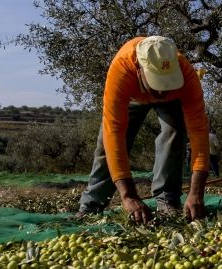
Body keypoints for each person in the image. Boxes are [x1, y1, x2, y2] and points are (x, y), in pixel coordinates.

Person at [75, 36, 210, 224]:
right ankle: (91, 206)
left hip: (175, 96)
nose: (161, 93)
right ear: (140, 71)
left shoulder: (186, 74)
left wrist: (197, 192)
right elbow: (114, 133)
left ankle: (167, 201)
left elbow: (199, 132)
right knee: (106, 145)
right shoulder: (122, 69)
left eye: (166, 84)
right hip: (134, 95)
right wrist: (128, 196)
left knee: (176, 133)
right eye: (157, 83)